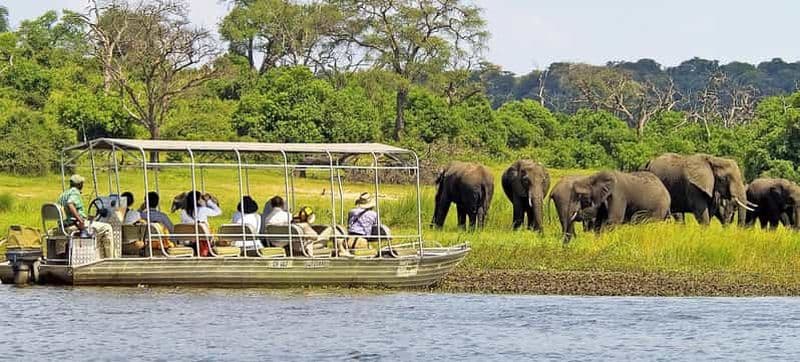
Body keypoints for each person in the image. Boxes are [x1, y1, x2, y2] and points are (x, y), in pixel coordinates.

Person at [56, 174, 113, 258]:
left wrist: (88, 218)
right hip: (74, 224)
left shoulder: (63, 194)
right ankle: (110, 259)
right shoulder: (74, 192)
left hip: (64, 225)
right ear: (79, 184)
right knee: (107, 228)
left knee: (95, 226)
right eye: (82, 183)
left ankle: (98, 255)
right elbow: (70, 204)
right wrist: (80, 220)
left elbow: (68, 211)